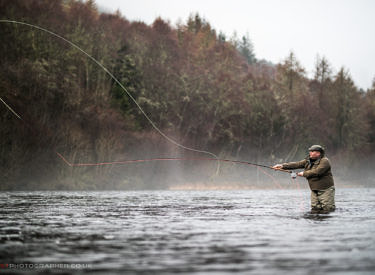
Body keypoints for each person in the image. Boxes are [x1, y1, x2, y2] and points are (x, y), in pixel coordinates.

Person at [273, 145, 335, 213]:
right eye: (310, 151)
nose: (310, 153)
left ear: (318, 153)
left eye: (312, 151)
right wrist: (282, 166)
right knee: (315, 208)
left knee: (328, 209)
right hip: (314, 189)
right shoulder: (308, 160)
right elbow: (297, 164)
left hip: (326, 189)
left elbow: (317, 172)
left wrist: (304, 173)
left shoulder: (325, 161)